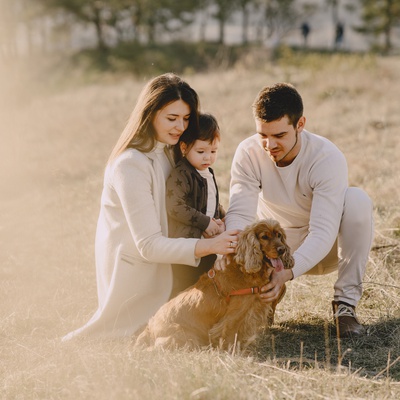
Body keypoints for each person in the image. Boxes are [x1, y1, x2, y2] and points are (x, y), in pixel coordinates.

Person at [62, 73, 239, 341]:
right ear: (150, 113)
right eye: (172, 118)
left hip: (175, 264)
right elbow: (148, 245)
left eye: (186, 118)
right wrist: (212, 246)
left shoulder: (170, 151)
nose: (180, 126)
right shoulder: (130, 164)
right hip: (140, 277)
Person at [225, 82, 374, 338]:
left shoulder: (326, 157)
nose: (269, 145)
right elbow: (239, 213)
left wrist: (288, 273)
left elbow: (323, 231)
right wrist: (233, 256)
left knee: (358, 200)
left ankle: (345, 307)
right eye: (263, 135)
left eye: (279, 136)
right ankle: (262, 296)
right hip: (273, 248)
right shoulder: (248, 152)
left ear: (300, 125)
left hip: (325, 248)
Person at [166, 112, 225, 298]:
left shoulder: (208, 171)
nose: (208, 157)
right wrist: (206, 222)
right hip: (187, 247)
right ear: (184, 147)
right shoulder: (182, 174)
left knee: (207, 283)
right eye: (201, 152)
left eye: (213, 151)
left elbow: (211, 200)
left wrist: (221, 218)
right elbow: (175, 206)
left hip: (208, 244)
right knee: (185, 288)